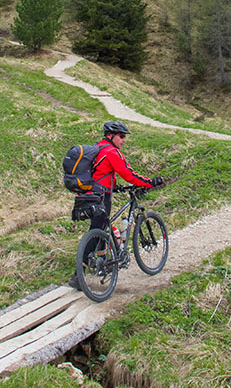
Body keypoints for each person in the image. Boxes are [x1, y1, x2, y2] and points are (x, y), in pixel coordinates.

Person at [69, 120, 163, 290]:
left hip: (90, 193)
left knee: (100, 227)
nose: (124, 140)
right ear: (111, 136)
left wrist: (115, 186)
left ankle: (103, 261)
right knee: (97, 230)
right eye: (121, 136)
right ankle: (78, 274)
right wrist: (149, 182)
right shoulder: (112, 152)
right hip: (101, 195)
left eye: (124, 137)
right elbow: (128, 174)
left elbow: (101, 172)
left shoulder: (98, 148)